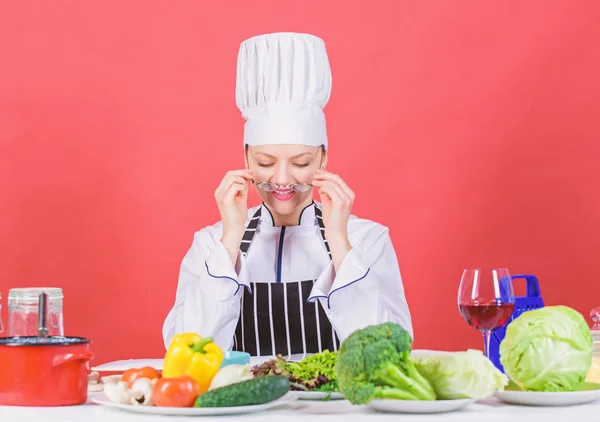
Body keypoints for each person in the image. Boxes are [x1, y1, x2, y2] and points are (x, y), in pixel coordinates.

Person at [162, 32, 413, 357]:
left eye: (301, 163)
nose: (282, 180)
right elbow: (184, 352)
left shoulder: (367, 239)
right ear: (246, 158)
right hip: (244, 406)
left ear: (323, 158)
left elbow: (391, 353)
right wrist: (230, 242)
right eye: (265, 162)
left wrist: (340, 243)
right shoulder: (212, 244)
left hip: (337, 408)